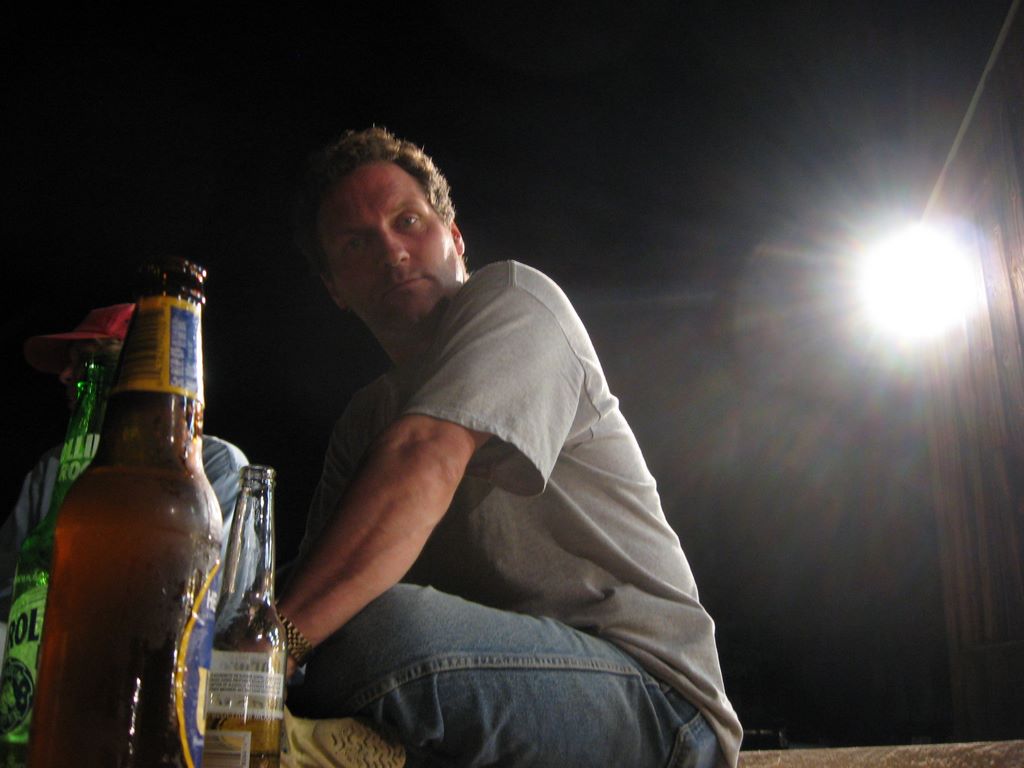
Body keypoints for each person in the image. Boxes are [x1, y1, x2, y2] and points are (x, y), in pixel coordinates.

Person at [278, 127, 742, 767]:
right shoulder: (365, 419)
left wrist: (264, 651)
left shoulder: (515, 300)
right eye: (356, 243)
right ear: (334, 286)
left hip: (658, 705)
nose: (392, 251)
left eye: (408, 221)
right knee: (302, 609)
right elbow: (315, 584)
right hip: (485, 694)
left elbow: (424, 457)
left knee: (376, 633)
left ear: (454, 237)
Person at [0, 303, 250, 618]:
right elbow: (6, 586)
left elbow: (202, 599)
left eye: (87, 361)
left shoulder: (214, 465)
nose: (65, 375)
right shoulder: (53, 466)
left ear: (137, 370)